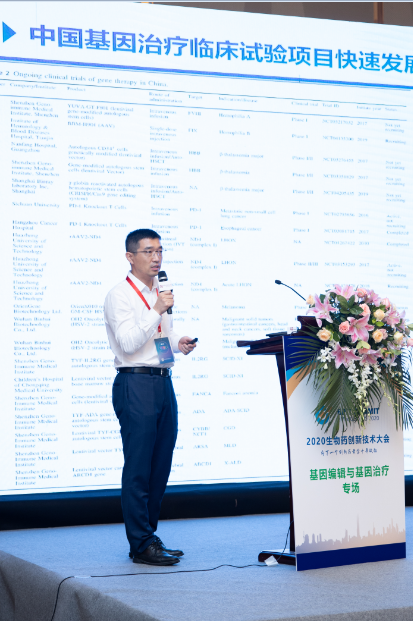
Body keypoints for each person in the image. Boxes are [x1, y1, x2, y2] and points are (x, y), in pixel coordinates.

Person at [104, 228, 196, 565]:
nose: (156, 258)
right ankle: (140, 543)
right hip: (135, 384)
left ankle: (148, 538)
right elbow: (129, 343)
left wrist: (177, 344)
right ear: (130, 257)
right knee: (139, 467)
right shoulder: (120, 296)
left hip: (162, 381)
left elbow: (157, 340)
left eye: (160, 251)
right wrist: (157, 308)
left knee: (160, 465)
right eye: (148, 252)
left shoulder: (159, 292)